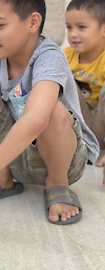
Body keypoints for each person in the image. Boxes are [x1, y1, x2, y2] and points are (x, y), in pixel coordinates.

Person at [0, 0, 99, 225]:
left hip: (64, 160)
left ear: (33, 22)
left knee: (52, 111)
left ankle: (57, 185)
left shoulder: (49, 57)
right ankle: (3, 179)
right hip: (16, 157)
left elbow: (36, 120)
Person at [63, 0, 105, 184]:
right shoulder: (64, 56)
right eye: (69, 27)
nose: (73, 34)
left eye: (81, 27)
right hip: (80, 126)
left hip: (101, 124)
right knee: (59, 80)